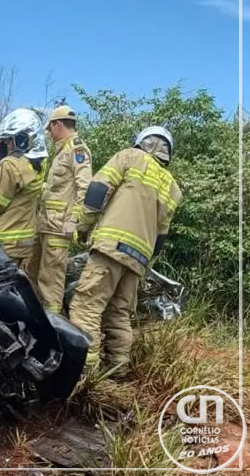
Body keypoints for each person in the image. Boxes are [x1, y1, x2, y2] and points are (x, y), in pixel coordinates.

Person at [69, 126, 182, 378]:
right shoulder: (172, 187)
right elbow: (161, 235)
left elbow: (98, 189)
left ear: (141, 142)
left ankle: (84, 371)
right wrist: (146, 263)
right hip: (139, 258)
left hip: (112, 245)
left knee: (86, 306)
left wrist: (83, 228)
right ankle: (118, 372)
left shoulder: (129, 156)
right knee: (118, 314)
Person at [0, 108, 47, 281]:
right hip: (25, 240)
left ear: (20, 139)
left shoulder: (10, 165)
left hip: (5, 242)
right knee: (15, 289)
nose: (6, 145)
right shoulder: (36, 164)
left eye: (9, 141)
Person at [36, 105, 92, 314]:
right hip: (46, 224)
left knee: (51, 281)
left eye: (50, 129)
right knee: (40, 277)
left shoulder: (77, 150)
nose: (50, 134)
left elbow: (85, 187)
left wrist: (74, 220)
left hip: (60, 227)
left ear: (58, 124)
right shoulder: (61, 151)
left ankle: (54, 326)